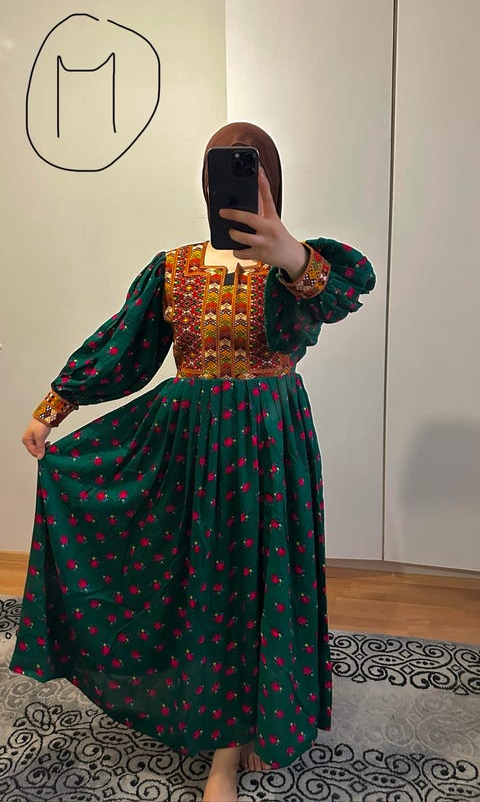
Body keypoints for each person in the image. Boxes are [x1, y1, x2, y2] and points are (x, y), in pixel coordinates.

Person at [12, 122, 375, 802]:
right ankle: (221, 744)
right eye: (221, 173)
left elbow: (343, 296)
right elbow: (124, 345)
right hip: (193, 448)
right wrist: (55, 405)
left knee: (264, 581)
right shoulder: (174, 268)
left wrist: (289, 251)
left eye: (249, 171)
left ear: (270, 180)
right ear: (207, 185)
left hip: (270, 446)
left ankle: (259, 721)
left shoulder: (295, 268)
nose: (232, 185)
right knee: (208, 585)